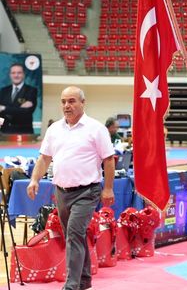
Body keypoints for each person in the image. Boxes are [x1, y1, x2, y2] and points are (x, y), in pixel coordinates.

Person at [26, 86, 115, 290]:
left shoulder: (96, 128)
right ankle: (84, 280)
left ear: (83, 103)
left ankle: (71, 285)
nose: (67, 105)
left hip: (87, 192)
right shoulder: (54, 129)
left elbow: (109, 160)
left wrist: (108, 188)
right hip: (62, 192)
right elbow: (44, 158)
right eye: (64, 101)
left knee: (74, 233)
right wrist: (34, 180)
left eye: (72, 101)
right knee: (74, 236)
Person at [0, 63, 38, 134]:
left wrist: (4, 108)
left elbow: (27, 112)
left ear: (24, 74)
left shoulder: (31, 90)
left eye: (19, 73)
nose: (16, 75)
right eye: (13, 73)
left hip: (24, 133)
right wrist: (19, 109)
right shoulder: (3, 91)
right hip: (4, 133)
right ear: (10, 75)